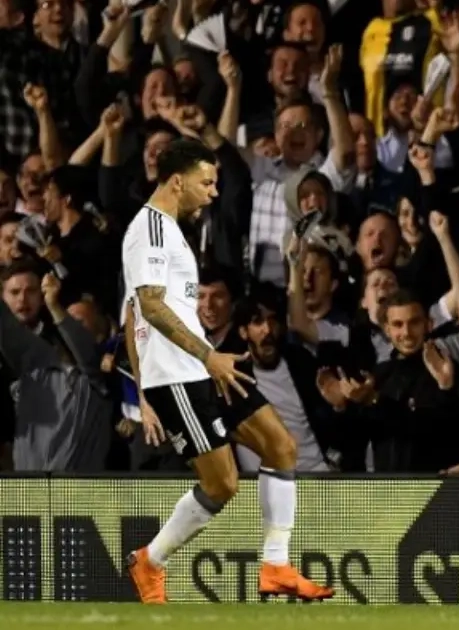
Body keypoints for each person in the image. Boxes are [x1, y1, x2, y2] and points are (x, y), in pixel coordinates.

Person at [121, 138, 333, 604]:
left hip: (202, 366)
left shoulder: (172, 230)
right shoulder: (149, 230)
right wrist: (188, 367)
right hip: (177, 375)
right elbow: (147, 309)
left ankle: (276, 567)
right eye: (206, 182)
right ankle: (150, 561)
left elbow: (139, 311)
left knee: (281, 446)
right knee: (222, 484)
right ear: (178, 181)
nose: (214, 192)